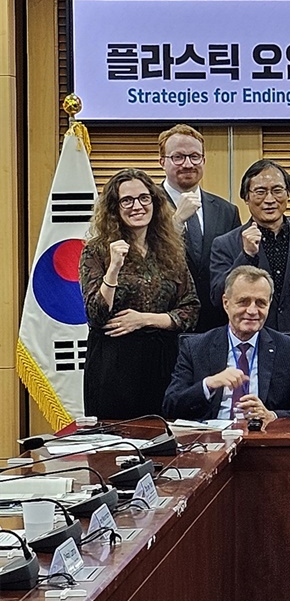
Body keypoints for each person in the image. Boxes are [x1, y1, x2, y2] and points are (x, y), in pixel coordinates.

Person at [79, 168, 199, 419]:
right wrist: (113, 268)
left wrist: (144, 319)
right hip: (114, 363)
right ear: (114, 208)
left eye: (144, 198)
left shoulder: (170, 249)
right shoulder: (96, 250)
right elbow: (96, 314)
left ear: (154, 202)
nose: (137, 206)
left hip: (163, 360)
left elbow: (190, 308)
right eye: (127, 200)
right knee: (117, 438)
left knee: (165, 435)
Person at [210, 159, 290, 394]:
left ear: (288, 194)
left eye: (277, 190)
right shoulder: (225, 244)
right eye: (260, 192)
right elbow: (218, 297)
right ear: (246, 197)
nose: (269, 199)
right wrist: (246, 255)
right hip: (249, 355)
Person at [163, 265, 290, 423]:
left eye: (260, 303)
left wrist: (272, 416)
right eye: (243, 302)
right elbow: (170, 406)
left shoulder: (289, 349)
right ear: (226, 303)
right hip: (212, 436)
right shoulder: (195, 347)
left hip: (263, 435)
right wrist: (209, 384)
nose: (252, 310)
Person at [158, 124, 241, 332]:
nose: (188, 164)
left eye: (195, 157)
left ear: (203, 160)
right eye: (178, 157)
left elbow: (234, 267)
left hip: (215, 324)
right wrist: (176, 221)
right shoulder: (146, 206)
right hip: (165, 322)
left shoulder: (227, 211)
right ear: (162, 161)